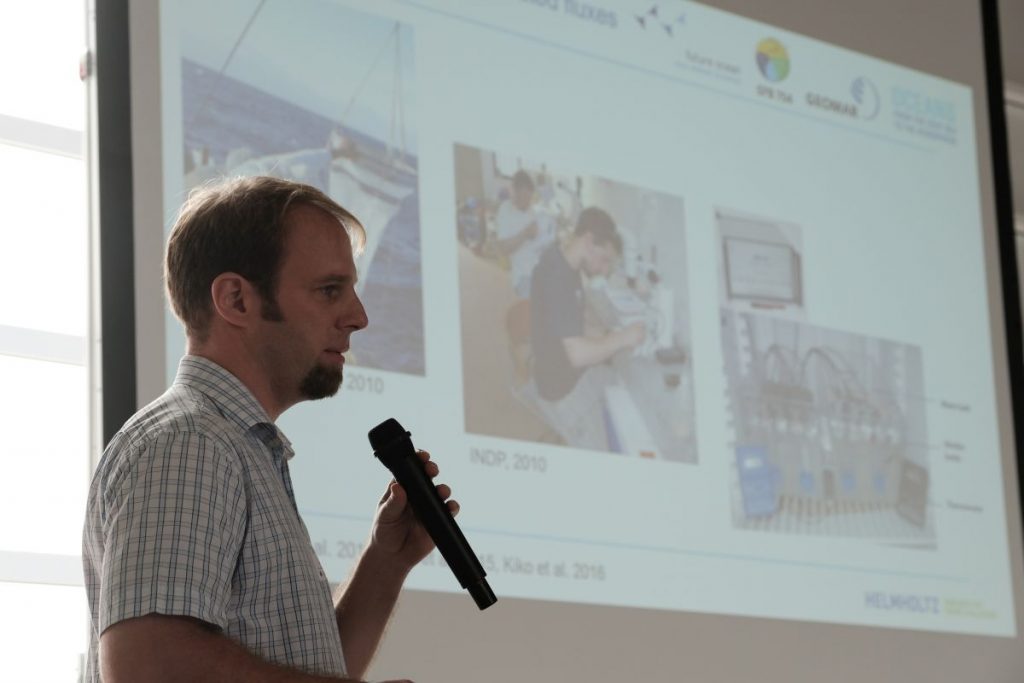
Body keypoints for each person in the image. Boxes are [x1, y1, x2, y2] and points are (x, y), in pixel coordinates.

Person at [82, 176, 453, 682]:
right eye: (329, 290)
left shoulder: (240, 447)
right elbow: (149, 666)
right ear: (236, 300)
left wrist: (385, 563)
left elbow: (307, 671)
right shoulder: (191, 443)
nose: (359, 317)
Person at [528, 206, 646, 451]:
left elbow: (572, 316)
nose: (605, 269)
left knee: (617, 382)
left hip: (555, 370)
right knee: (615, 446)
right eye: (605, 260)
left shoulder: (562, 261)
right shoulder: (558, 278)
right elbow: (577, 354)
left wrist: (604, 335)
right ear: (589, 241)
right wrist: (622, 338)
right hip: (561, 391)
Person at [493, 170, 550, 299]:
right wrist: (525, 234)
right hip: (524, 276)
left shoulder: (534, 211)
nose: (527, 203)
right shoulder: (505, 210)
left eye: (529, 198)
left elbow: (542, 242)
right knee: (532, 309)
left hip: (540, 271)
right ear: (515, 193)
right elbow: (502, 249)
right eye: (523, 198)